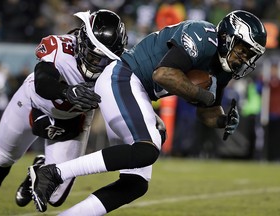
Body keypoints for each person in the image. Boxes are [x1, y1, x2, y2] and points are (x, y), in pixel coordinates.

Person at [29, 10, 267, 215]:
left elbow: (208, 112)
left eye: (249, 55)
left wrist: (224, 120)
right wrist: (203, 95)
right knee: (147, 147)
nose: (243, 58)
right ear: (227, 37)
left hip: (138, 91)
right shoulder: (202, 35)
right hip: (124, 76)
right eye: (242, 50)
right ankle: (55, 172)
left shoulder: (223, 69)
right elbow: (163, 75)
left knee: (136, 183)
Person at [0, 9, 127, 216]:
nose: (97, 64)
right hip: (32, 102)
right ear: (83, 42)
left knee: (55, 196)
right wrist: (66, 91)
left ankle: (38, 170)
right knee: (4, 156)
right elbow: (42, 80)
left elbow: (131, 96)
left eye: (104, 59)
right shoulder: (61, 47)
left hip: (73, 120)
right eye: (93, 55)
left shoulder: (120, 68)